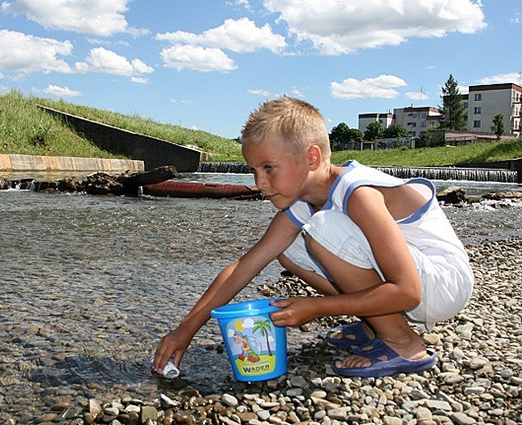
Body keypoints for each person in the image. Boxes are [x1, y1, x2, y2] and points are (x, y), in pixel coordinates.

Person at [153, 96, 473, 378]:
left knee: (323, 231)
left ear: (312, 158)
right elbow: (244, 267)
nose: (260, 183)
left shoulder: (357, 193)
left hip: (442, 283)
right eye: (253, 170)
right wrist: (185, 330)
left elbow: (408, 292)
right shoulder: (305, 199)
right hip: (415, 281)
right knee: (288, 248)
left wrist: (317, 307)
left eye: (269, 168)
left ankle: (403, 343)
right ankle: (376, 325)